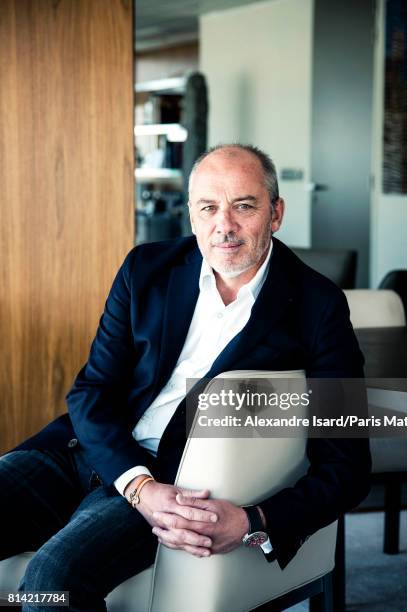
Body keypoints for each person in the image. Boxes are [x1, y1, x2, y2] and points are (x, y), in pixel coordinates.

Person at [0, 144, 371, 611]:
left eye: (244, 205)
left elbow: (349, 466)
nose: (225, 225)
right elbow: (93, 390)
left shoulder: (319, 305)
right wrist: (136, 483)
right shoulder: (146, 270)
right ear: (192, 215)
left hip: (177, 487)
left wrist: (255, 519)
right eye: (209, 207)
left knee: (53, 583)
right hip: (86, 452)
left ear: (276, 213)